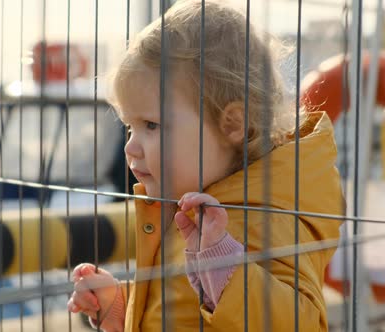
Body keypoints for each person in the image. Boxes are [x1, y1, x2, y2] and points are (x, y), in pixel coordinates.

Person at [67, 0, 344, 330]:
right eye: (130, 126)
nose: (131, 146)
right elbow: (182, 312)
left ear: (232, 124)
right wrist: (120, 306)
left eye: (151, 125)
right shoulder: (193, 208)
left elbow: (303, 324)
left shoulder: (261, 217)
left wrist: (225, 270)